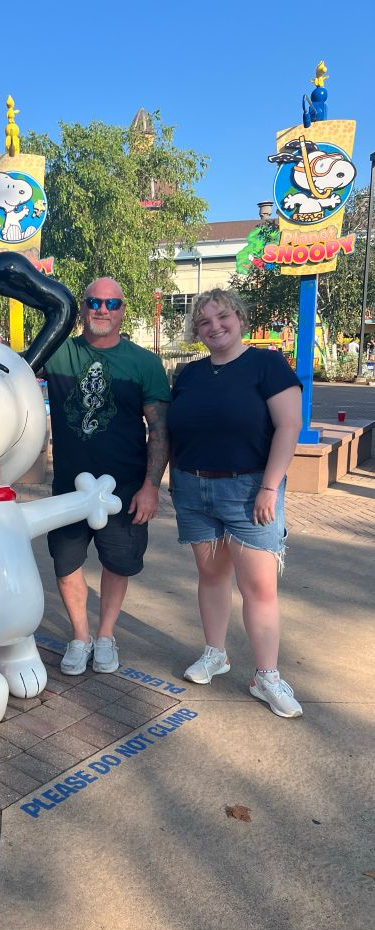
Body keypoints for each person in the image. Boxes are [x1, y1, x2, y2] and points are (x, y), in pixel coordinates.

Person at [0, 277, 171, 675]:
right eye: (94, 302)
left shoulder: (144, 363)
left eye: (112, 304)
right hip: (68, 488)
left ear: (123, 310)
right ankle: (80, 636)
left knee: (118, 564)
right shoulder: (59, 353)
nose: (102, 310)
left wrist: (150, 487)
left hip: (125, 487)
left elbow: (160, 429)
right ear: (83, 308)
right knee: (66, 564)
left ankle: (106, 635)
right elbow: (10, 365)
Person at [168, 288, 303, 718]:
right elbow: (177, 431)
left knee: (259, 587)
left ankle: (267, 676)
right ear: (196, 331)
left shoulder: (266, 364)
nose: (214, 327)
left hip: (249, 492)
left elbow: (289, 427)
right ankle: (215, 653)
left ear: (240, 318)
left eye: (222, 317)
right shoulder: (188, 374)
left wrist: (269, 487)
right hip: (194, 488)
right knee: (210, 575)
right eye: (204, 322)